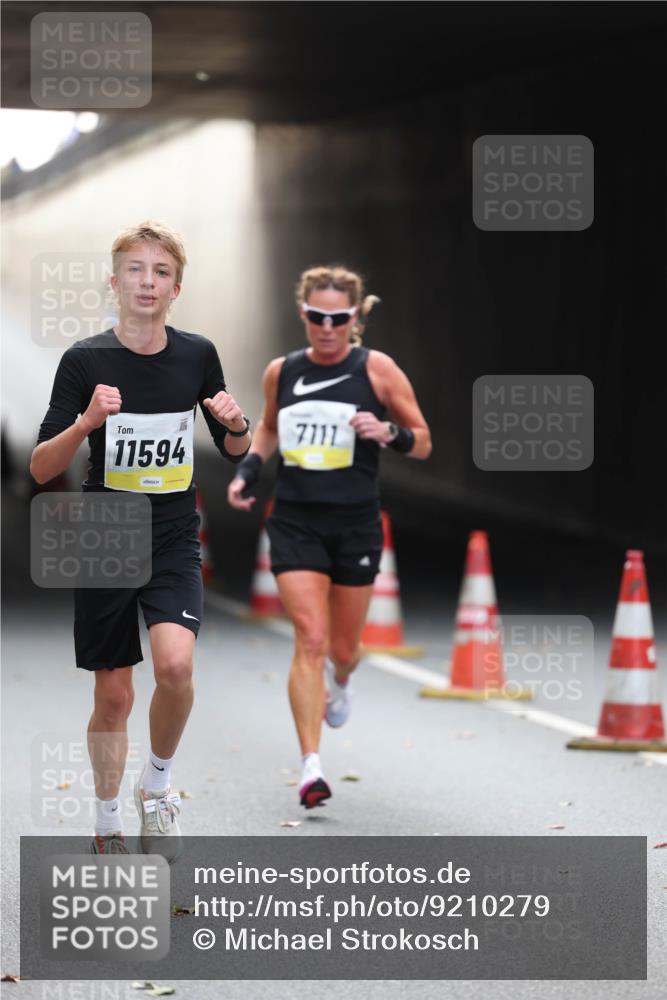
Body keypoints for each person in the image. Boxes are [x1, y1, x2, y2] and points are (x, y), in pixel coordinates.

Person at [30, 221, 251, 858]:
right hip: (106, 533)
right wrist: (88, 421)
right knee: (115, 694)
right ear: (115, 280)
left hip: (174, 531)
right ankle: (106, 822)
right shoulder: (85, 361)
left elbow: (232, 449)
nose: (146, 282)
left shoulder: (196, 355)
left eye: (159, 272)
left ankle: (156, 788)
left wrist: (237, 426)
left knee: (177, 667)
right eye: (135, 270)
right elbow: (42, 468)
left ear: (175, 287)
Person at [227, 265, 431, 809]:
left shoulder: (378, 370)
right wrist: (249, 471)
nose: (326, 327)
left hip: (356, 524)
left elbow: (425, 442)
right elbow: (269, 425)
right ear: (303, 315)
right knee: (310, 639)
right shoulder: (283, 371)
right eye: (316, 317)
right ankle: (310, 766)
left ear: (353, 319)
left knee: (344, 649)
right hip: (294, 521)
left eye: (337, 318)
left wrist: (388, 431)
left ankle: (343, 680)